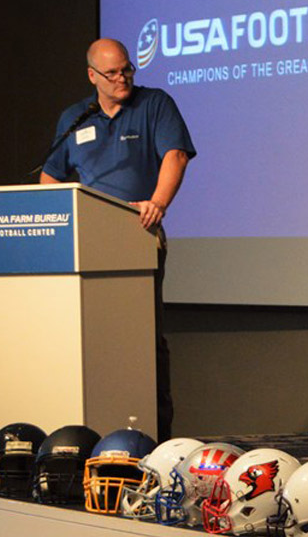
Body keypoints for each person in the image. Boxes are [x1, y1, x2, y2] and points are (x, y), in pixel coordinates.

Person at [40, 38, 196, 442]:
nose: (122, 77)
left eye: (126, 69)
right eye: (112, 73)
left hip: (137, 236)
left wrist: (157, 203)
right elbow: (51, 176)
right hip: (87, 247)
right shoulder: (76, 118)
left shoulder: (154, 104)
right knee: (91, 340)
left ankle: (155, 435)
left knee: (144, 339)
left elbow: (176, 155)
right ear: (92, 76)